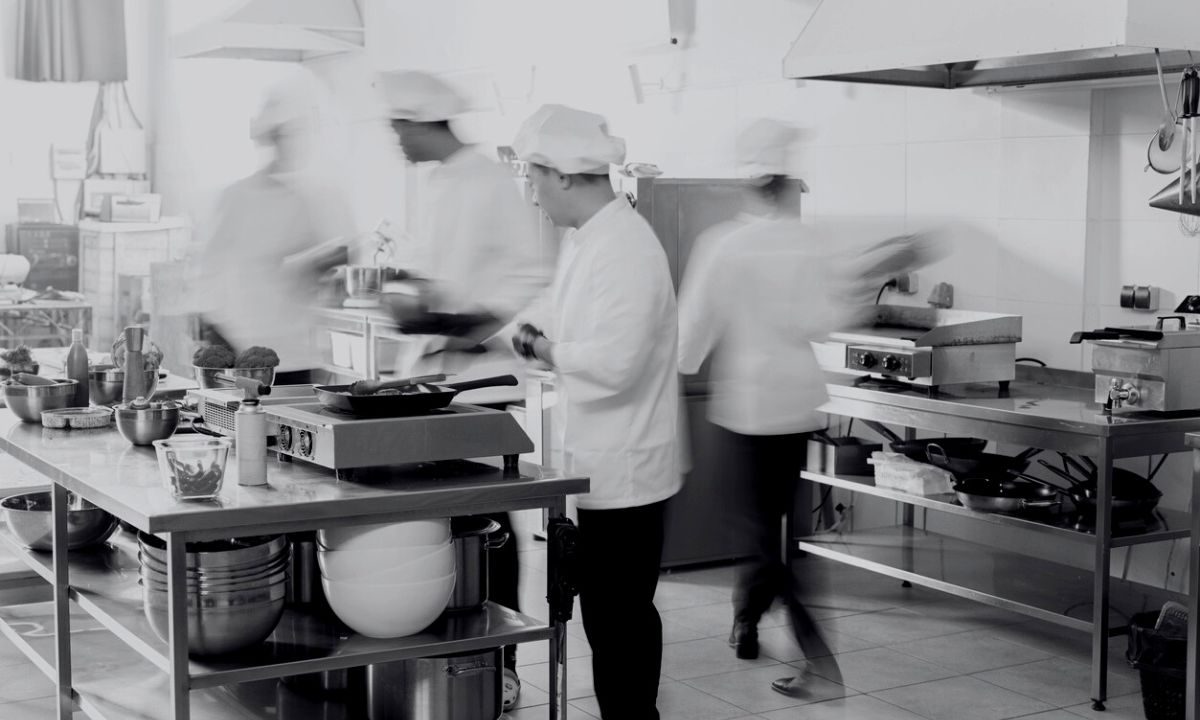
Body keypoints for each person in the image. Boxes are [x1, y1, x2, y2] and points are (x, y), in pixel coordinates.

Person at [678, 118, 944, 697]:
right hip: (796, 406)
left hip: (746, 407)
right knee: (778, 532)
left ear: (747, 184)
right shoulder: (807, 243)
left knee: (757, 536)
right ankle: (746, 621)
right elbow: (826, 320)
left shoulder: (724, 244)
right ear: (787, 181)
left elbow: (691, 335)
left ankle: (820, 663)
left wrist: (667, 367)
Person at [375, 69, 551, 712]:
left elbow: (527, 276)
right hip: (434, 378)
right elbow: (440, 274)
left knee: (489, 522)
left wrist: (458, 324)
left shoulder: (488, 181)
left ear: (425, 124)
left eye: (398, 127)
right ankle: (450, 658)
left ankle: (501, 665)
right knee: (446, 518)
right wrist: (409, 297)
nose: (395, 139)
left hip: (482, 381)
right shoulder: (441, 184)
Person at [510, 104, 682, 720]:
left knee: (620, 619)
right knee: (607, 615)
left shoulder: (626, 247)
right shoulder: (589, 240)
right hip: (602, 463)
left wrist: (543, 347)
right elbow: (563, 316)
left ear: (563, 175)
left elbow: (617, 363)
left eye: (533, 179)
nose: (532, 196)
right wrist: (523, 332)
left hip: (630, 468)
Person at [199, 70, 355, 383]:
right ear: (269, 139)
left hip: (299, 349)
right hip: (246, 345)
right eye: (284, 136)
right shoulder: (237, 197)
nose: (292, 146)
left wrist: (319, 264)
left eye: (296, 136)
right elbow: (209, 269)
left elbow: (342, 252)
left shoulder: (310, 197)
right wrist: (216, 328)